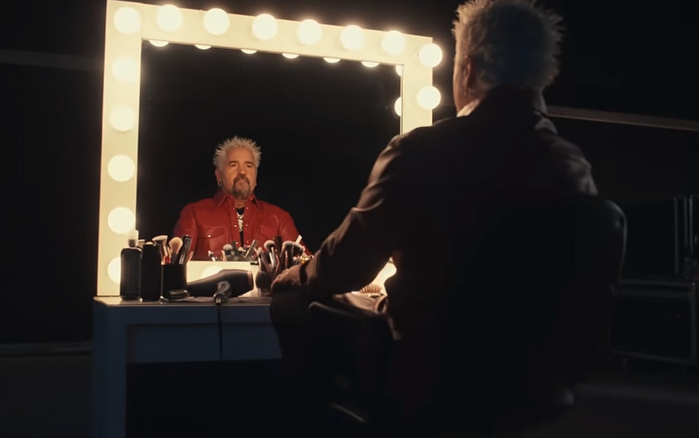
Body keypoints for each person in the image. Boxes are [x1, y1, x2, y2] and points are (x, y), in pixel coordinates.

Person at [270, 0, 598, 435]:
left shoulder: (420, 152)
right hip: (534, 388)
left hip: (429, 380)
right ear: (541, 76)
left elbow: (344, 268)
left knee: (290, 302)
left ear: (467, 70)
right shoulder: (574, 170)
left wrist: (293, 275)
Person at [173, 136, 307, 260]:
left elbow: (305, 266)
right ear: (218, 175)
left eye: (249, 165)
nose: (242, 172)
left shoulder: (279, 218)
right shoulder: (194, 214)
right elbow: (176, 268)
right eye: (233, 165)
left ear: (256, 175)